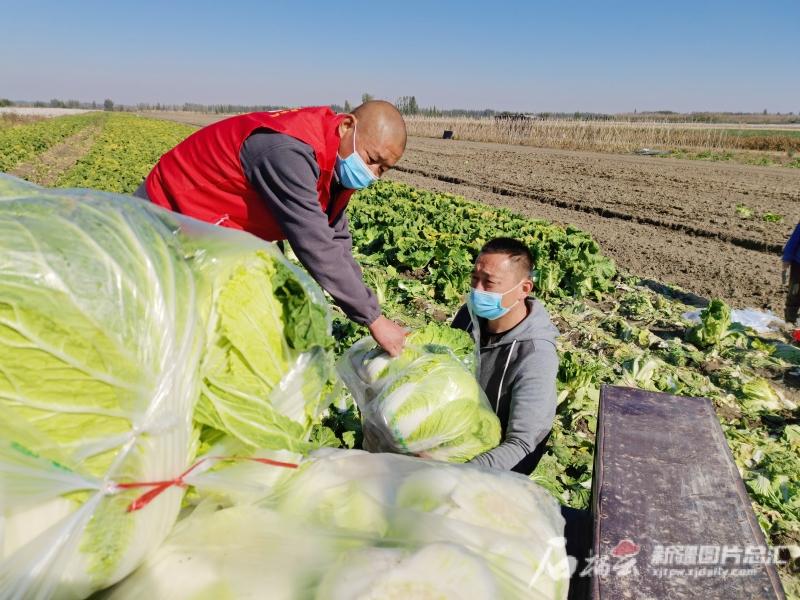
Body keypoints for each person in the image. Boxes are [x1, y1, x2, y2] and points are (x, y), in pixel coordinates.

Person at [134, 101, 408, 356]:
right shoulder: (290, 151)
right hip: (168, 217)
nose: (371, 173)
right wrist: (372, 319)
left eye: (383, 169)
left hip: (219, 229)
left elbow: (335, 238)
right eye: (372, 159)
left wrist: (372, 308)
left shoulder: (334, 158)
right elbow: (314, 242)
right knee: (161, 326)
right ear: (347, 126)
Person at [451, 237, 559, 475]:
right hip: (458, 423)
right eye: (474, 279)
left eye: (489, 283)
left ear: (524, 289)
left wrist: (456, 473)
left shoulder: (536, 355)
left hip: (503, 457)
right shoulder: (468, 316)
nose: (477, 290)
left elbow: (520, 443)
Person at [783, 223, 800, 330]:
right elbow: (794, 240)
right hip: (799, 265)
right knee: (795, 292)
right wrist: (787, 258)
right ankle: (790, 321)